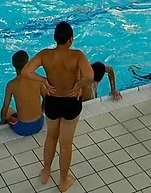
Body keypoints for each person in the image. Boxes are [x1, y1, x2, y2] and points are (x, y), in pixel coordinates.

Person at [20, 22, 96, 193]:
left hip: (52, 101)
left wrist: (44, 81)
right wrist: (78, 85)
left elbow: (26, 72)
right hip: (71, 102)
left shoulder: (45, 54)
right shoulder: (77, 55)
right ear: (71, 39)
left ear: (56, 38)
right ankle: (63, 181)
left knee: (51, 137)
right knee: (66, 143)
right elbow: (90, 76)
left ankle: (46, 172)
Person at [1, 50, 47, 136]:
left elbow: (5, 108)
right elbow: (46, 97)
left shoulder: (12, 84)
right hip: (39, 123)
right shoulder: (36, 78)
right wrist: (42, 110)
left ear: (13, 65)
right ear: (28, 63)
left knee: (9, 110)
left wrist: (2, 122)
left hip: (23, 128)